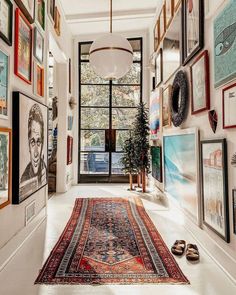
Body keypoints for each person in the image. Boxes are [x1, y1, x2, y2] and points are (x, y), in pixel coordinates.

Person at [20, 104, 47, 189]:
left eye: (38, 143)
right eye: (32, 142)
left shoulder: (44, 168)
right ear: (28, 145)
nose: (35, 153)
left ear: (42, 145)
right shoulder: (24, 182)